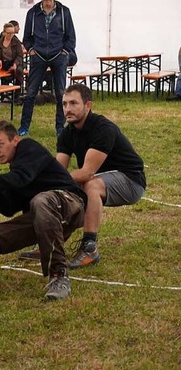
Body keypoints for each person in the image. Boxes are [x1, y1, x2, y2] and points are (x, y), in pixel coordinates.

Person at [0, 120, 86, 300]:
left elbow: (19, 179)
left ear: (15, 140)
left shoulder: (28, 148)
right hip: (42, 217)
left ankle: (59, 276)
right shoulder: (16, 169)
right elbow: (8, 208)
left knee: (41, 200)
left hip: (71, 205)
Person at [47, 84, 144, 269]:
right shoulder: (67, 133)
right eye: (64, 104)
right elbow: (58, 170)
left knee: (90, 184)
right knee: (61, 190)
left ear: (88, 105)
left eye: (74, 103)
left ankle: (89, 248)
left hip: (131, 181)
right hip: (102, 177)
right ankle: (50, 243)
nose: (67, 109)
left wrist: (57, 180)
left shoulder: (102, 128)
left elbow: (86, 173)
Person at [18, 0, 76, 137]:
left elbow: (71, 36)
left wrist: (65, 51)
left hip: (59, 56)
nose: (49, 2)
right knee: (31, 92)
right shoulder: (32, 13)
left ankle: (60, 128)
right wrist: (31, 49)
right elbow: (26, 37)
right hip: (38, 56)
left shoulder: (64, 11)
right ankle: (24, 127)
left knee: (61, 93)